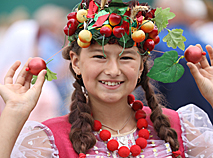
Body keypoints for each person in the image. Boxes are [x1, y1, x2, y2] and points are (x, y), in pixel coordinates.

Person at [0, 0, 213, 158]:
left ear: (141, 66)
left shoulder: (181, 129)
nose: (113, 70)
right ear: (75, 62)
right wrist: (14, 112)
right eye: (100, 56)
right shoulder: (48, 141)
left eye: (126, 57)